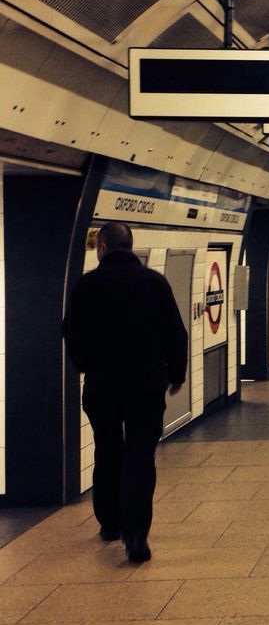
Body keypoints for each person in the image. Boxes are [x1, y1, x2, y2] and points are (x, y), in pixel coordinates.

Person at [62, 221, 188, 563]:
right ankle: (136, 533)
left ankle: (109, 521)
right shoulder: (154, 283)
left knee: (107, 449)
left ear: (102, 248)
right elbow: (176, 333)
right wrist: (176, 374)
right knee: (139, 455)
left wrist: (86, 365)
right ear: (130, 246)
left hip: (103, 385)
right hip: (146, 386)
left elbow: (72, 336)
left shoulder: (86, 286)